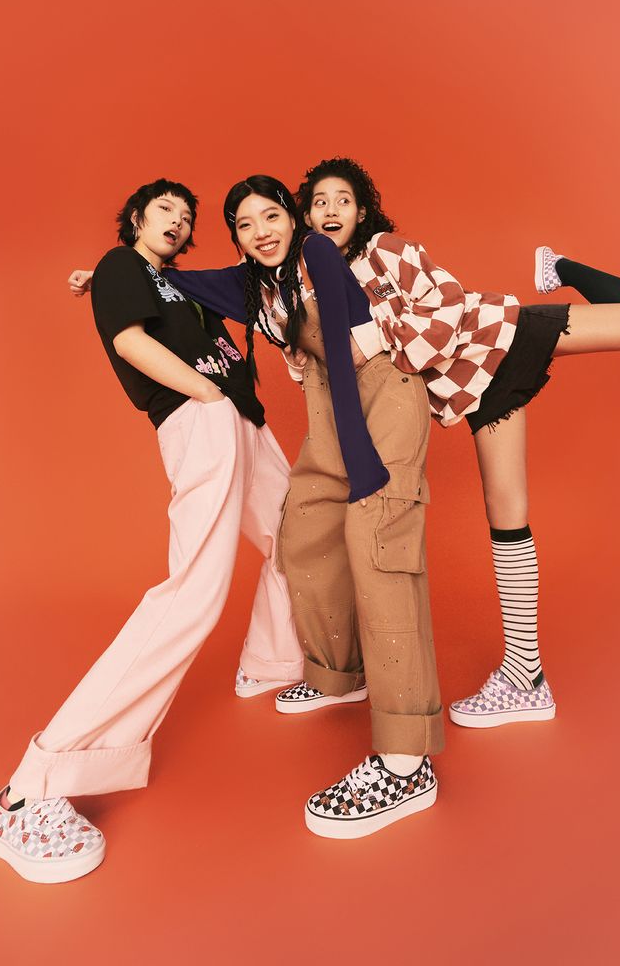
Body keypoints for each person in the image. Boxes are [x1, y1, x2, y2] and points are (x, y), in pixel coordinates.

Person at [294, 156, 620, 728]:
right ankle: (526, 678)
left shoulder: (388, 251)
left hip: (499, 336)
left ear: (361, 211)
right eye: (321, 202)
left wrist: (374, 334)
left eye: (343, 200)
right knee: (507, 516)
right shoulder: (322, 285)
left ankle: (562, 265)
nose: (331, 209)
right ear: (307, 216)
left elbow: (447, 306)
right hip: (475, 389)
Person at [0, 179, 302, 883]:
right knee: (192, 593)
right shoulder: (121, 266)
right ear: (134, 219)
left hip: (245, 418)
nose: (179, 219)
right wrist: (208, 393)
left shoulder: (174, 280)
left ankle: (275, 661)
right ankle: (35, 784)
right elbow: (128, 339)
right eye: (166, 209)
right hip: (205, 417)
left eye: (186, 217)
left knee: (299, 536)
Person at [147, 176, 445, 839]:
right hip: (330, 405)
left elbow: (339, 351)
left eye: (272, 214)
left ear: (292, 217)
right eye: (245, 224)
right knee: (305, 529)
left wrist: (365, 461)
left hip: (377, 394)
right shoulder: (254, 285)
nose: (262, 230)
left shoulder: (317, 254)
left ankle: (406, 761)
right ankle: (340, 674)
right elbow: (184, 282)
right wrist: (123, 270)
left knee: (378, 548)